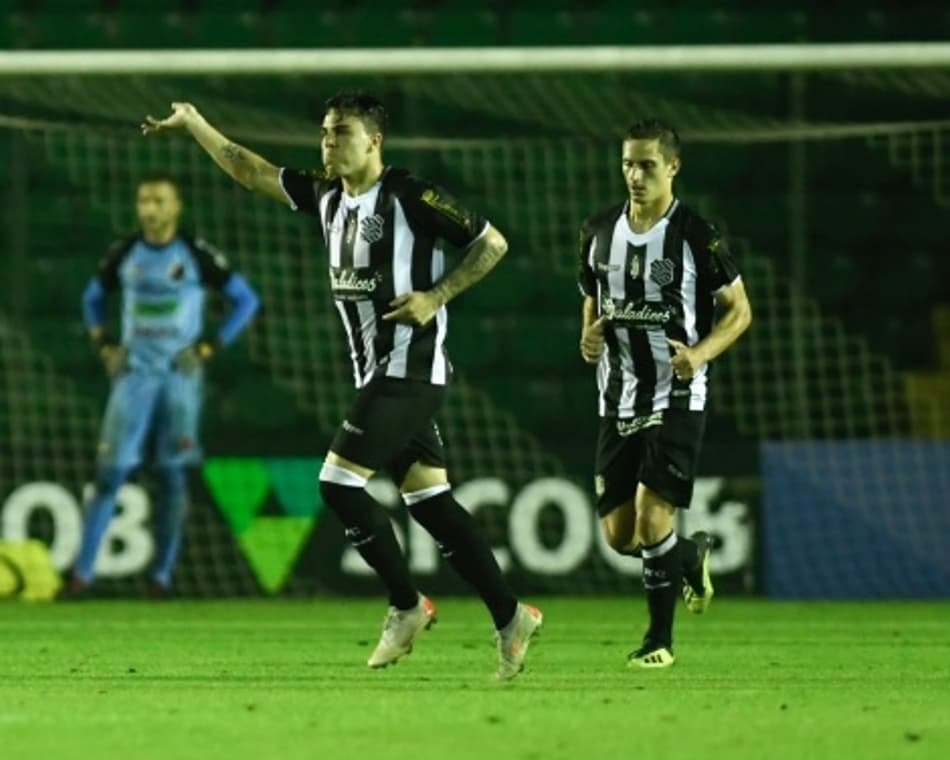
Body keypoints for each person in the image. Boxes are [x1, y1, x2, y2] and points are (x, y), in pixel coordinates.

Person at [142, 91, 542, 680]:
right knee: (431, 503)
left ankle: (407, 606)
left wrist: (435, 296)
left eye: (342, 132)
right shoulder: (326, 195)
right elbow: (248, 170)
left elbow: (493, 243)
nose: (329, 142)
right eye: (325, 132)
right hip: (377, 373)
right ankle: (512, 617)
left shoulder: (410, 195)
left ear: (374, 140)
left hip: (412, 368)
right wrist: (197, 123)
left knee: (336, 483)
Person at [577, 119, 752, 668]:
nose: (635, 174)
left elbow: (740, 312)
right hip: (618, 396)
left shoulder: (697, 235)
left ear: (672, 167)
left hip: (677, 394)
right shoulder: (599, 229)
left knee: (654, 517)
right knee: (620, 536)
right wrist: (587, 334)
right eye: (628, 163)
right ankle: (689, 554)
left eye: (647, 164)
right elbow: (592, 292)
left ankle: (659, 642)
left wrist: (698, 356)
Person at [67, 174, 260, 598]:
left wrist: (209, 345)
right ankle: (81, 576)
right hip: (133, 375)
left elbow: (247, 300)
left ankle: (161, 577)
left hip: (180, 378)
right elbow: (91, 298)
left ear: (176, 208)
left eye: (158, 200)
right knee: (110, 472)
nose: (149, 209)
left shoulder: (194, 253)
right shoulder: (124, 252)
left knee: (173, 475)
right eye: (143, 201)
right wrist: (103, 344)